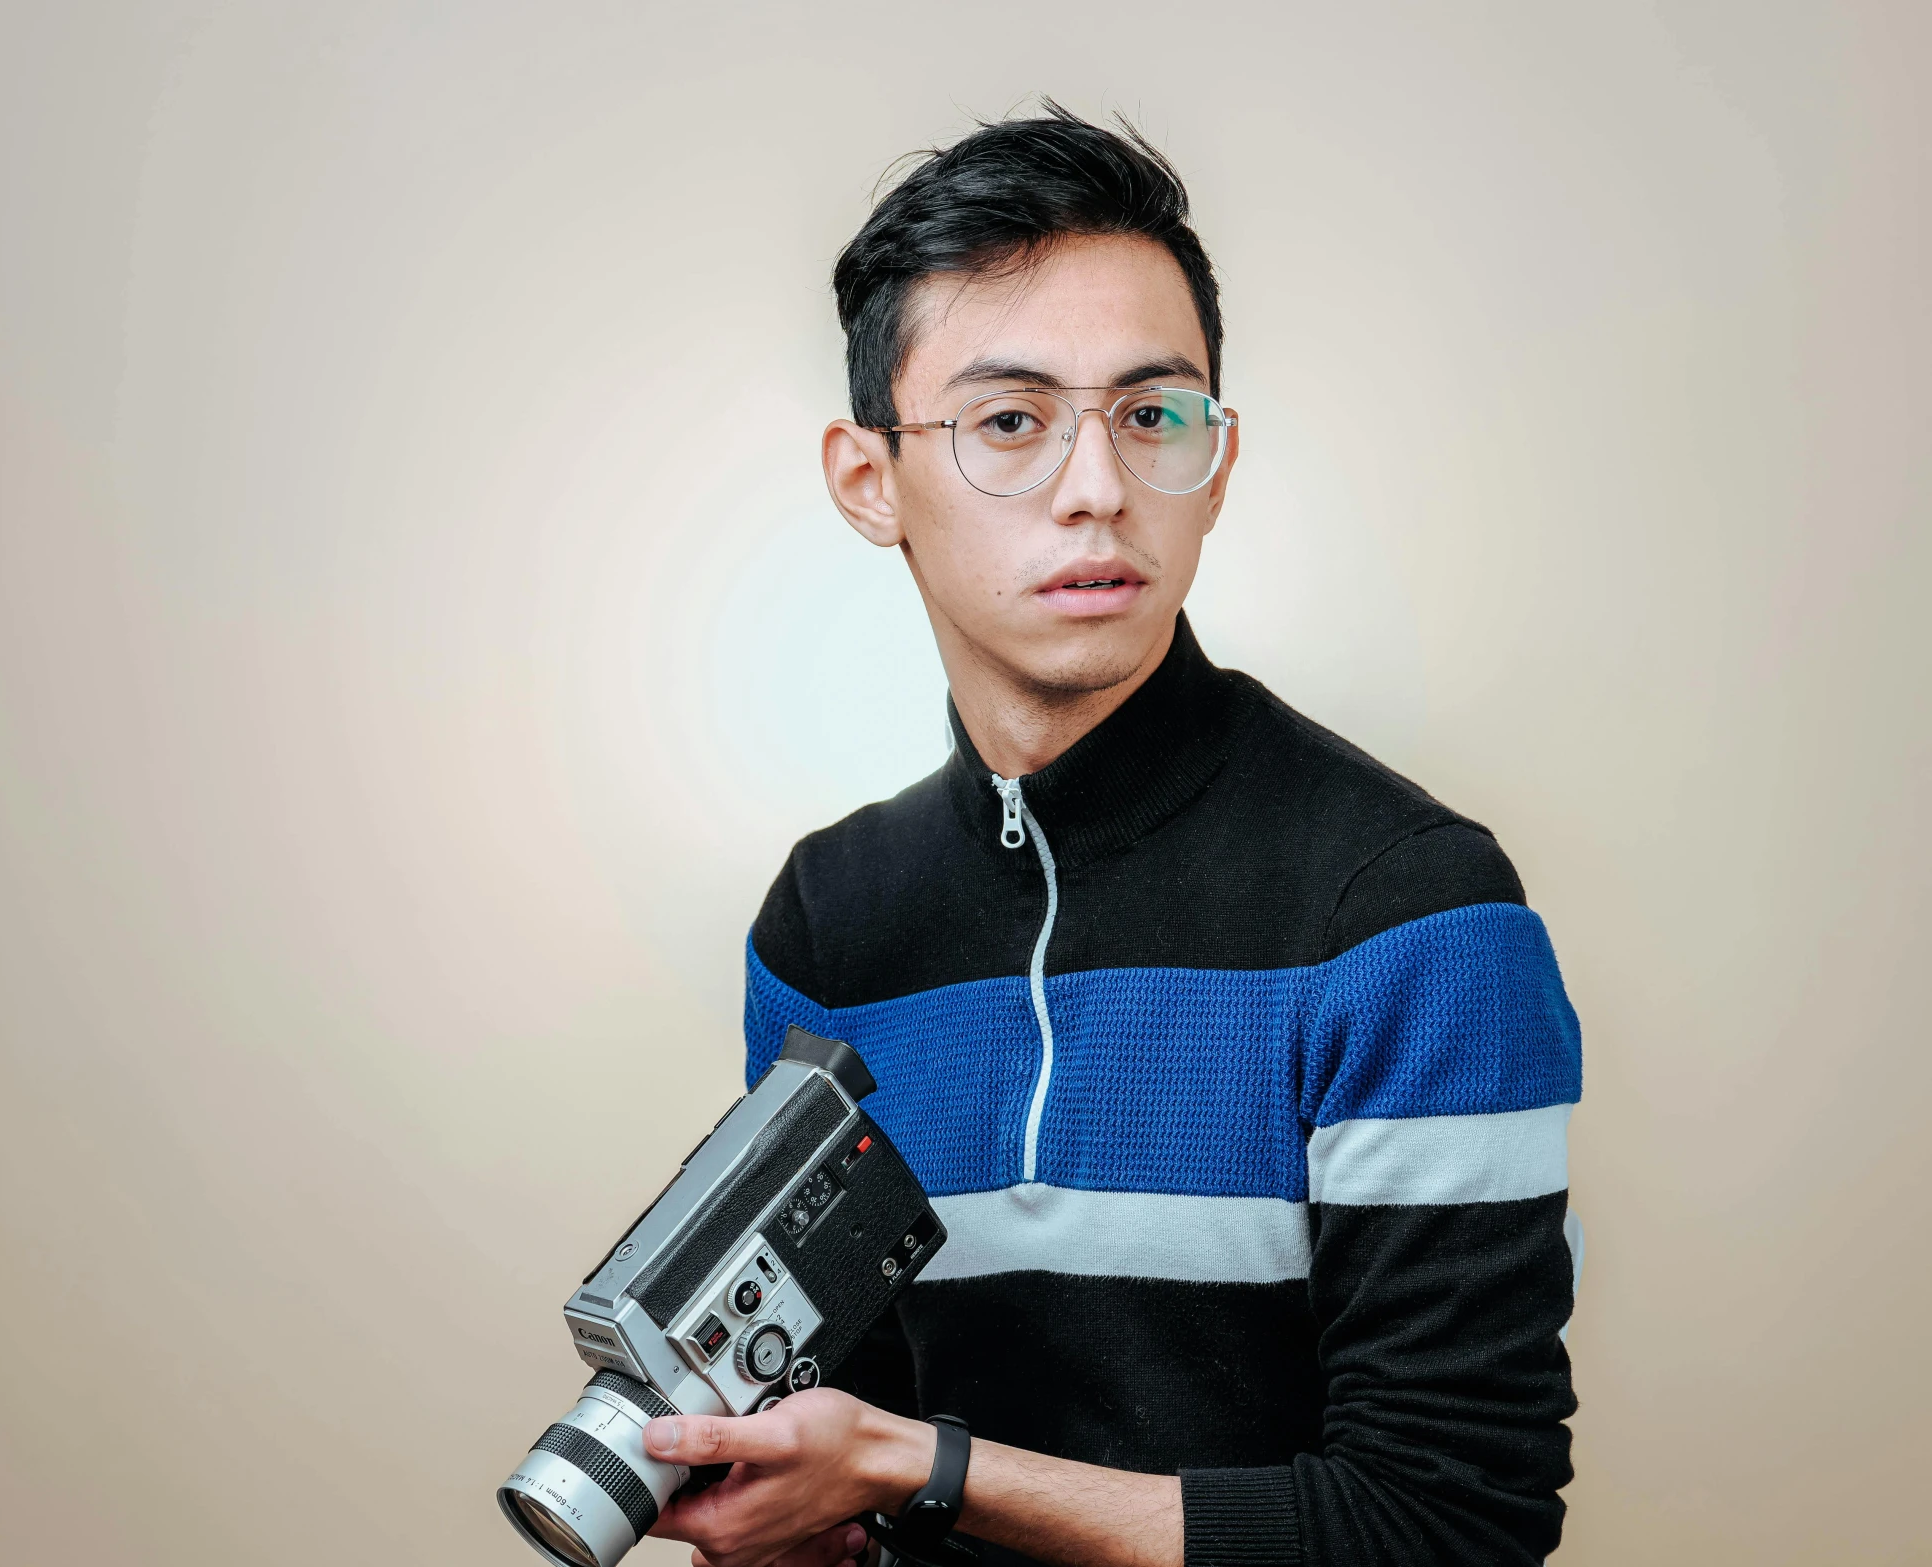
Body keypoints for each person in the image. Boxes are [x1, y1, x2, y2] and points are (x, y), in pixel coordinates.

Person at [643, 104, 1583, 1567]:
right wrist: (807, 1525)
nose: (1096, 487)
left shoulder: (1411, 914)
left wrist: (919, 1463)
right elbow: (855, 1441)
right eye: (1008, 421)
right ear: (867, 478)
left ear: (1215, 461)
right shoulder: (827, 923)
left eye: (1152, 414)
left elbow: (1447, 1524)